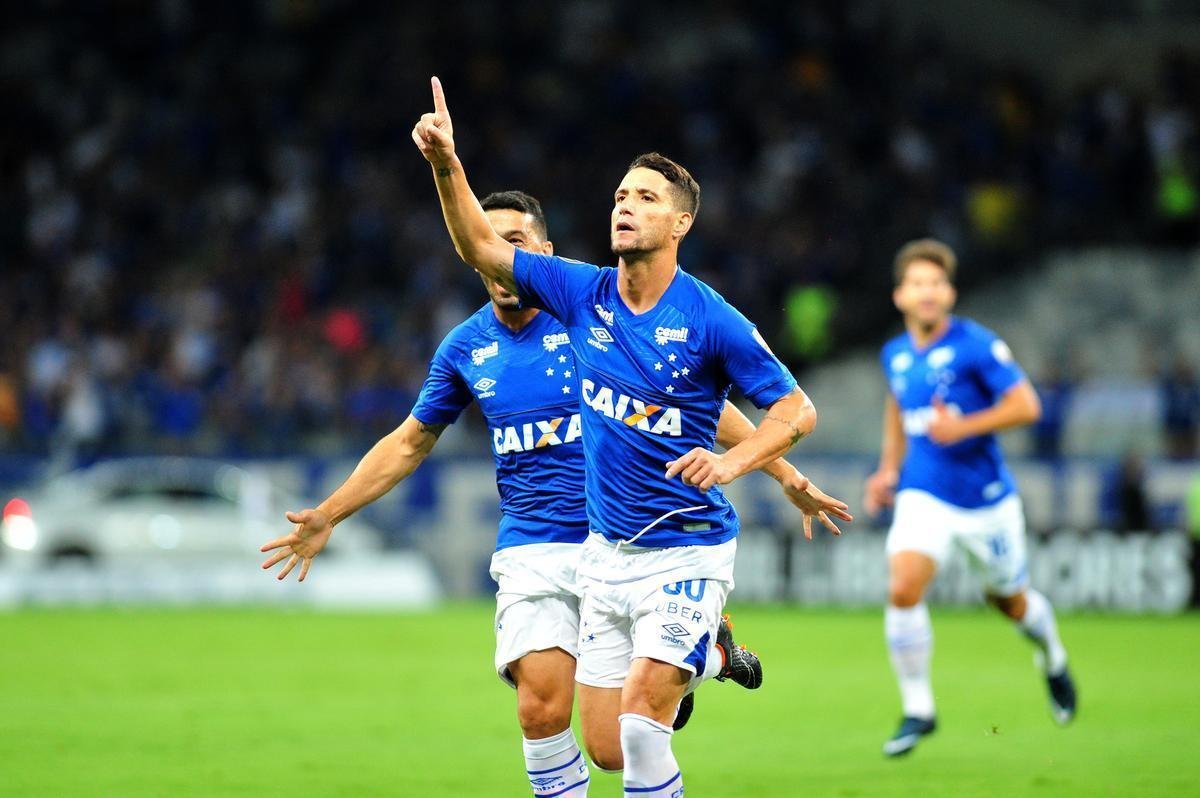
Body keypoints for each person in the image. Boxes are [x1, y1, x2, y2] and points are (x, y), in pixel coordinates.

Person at [262, 187, 849, 796]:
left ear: (541, 255)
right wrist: (330, 513)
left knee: (621, 742)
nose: (500, 258)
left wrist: (784, 474)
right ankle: (705, 653)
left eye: (515, 243)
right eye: (492, 244)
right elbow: (409, 442)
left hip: (622, 540)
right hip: (533, 543)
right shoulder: (465, 348)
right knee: (543, 713)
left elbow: (700, 406)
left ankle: (708, 652)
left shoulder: (590, 315)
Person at [411, 76, 851, 796]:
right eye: (621, 195)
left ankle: (691, 649)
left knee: (644, 727)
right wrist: (445, 164)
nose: (625, 205)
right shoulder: (580, 293)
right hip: (606, 556)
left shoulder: (710, 319)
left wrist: (737, 464)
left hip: (688, 547)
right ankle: (711, 655)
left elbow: (796, 410)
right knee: (608, 748)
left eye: (646, 197)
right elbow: (482, 249)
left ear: (680, 224)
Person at [863, 238, 1076, 757]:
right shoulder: (895, 353)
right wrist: (888, 469)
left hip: (986, 501)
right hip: (924, 493)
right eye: (918, 283)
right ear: (900, 296)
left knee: (1010, 602)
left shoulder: (977, 344)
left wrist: (964, 427)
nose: (927, 292)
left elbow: (1027, 405)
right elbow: (897, 408)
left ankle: (1052, 655)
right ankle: (919, 710)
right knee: (903, 587)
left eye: (936, 283)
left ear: (950, 293)